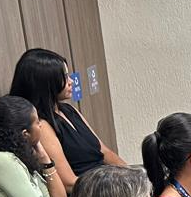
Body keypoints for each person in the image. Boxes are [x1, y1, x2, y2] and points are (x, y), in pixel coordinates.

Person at [10, 47, 126, 188]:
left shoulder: (69, 110)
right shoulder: (42, 125)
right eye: (64, 77)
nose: (71, 81)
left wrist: (131, 175)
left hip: (109, 181)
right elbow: (69, 182)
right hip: (90, 193)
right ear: (46, 83)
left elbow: (104, 152)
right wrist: (118, 187)